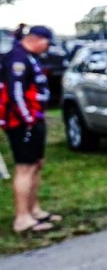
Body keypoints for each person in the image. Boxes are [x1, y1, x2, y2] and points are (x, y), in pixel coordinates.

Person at [1, 25, 62, 233]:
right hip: (21, 122)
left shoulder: (30, 57)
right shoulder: (17, 59)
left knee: (36, 164)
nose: (47, 48)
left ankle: (34, 210)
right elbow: (15, 92)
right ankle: (22, 218)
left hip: (34, 119)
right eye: (47, 43)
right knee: (25, 167)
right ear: (36, 39)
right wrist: (27, 119)